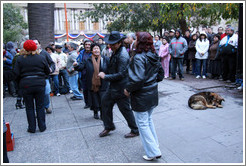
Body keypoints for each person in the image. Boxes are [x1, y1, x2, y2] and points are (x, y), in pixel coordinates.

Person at [124, 32, 164, 161]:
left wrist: (128, 89)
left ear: (140, 42)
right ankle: (154, 146)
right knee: (147, 120)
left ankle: (153, 151)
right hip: (152, 92)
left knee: (143, 123)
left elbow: (138, 78)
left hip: (141, 95)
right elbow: (160, 75)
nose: (134, 41)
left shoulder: (139, 57)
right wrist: (151, 82)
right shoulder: (153, 55)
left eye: (136, 39)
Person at [97, 31, 139, 138]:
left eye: (113, 43)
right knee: (105, 103)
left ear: (119, 43)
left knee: (124, 109)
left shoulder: (123, 55)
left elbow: (121, 74)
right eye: (109, 43)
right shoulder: (116, 51)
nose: (110, 45)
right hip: (113, 86)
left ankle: (135, 129)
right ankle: (109, 126)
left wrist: (105, 76)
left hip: (121, 87)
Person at [14, 40, 50, 133]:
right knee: (40, 106)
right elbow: (47, 71)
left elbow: (16, 74)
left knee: (29, 107)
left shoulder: (20, 59)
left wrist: (20, 84)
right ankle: (42, 126)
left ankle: (32, 127)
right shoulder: (41, 58)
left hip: (26, 84)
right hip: (39, 84)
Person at [74, 43, 109, 119]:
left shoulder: (105, 59)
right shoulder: (88, 60)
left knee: (103, 99)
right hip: (92, 83)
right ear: (92, 51)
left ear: (100, 50)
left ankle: (103, 114)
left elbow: (110, 69)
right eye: (94, 49)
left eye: (97, 48)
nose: (96, 50)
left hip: (103, 83)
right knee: (94, 99)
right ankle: (95, 112)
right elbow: (81, 67)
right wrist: (76, 65)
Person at [33, 39, 55, 114]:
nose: (35, 45)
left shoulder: (44, 53)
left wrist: (51, 69)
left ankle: (47, 106)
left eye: (36, 43)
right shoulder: (30, 54)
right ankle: (38, 109)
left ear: (39, 44)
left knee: (46, 92)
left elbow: (52, 63)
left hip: (44, 77)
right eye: (33, 44)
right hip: (34, 78)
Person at [77, 39, 92, 108]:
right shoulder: (81, 53)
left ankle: (92, 103)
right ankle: (87, 103)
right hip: (83, 74)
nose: (87, 46)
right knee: (85, 90)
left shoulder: (93, 53)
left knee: (91, 90)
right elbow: (78, 60)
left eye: (89, 44)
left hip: (92, 75)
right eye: (86, 45)